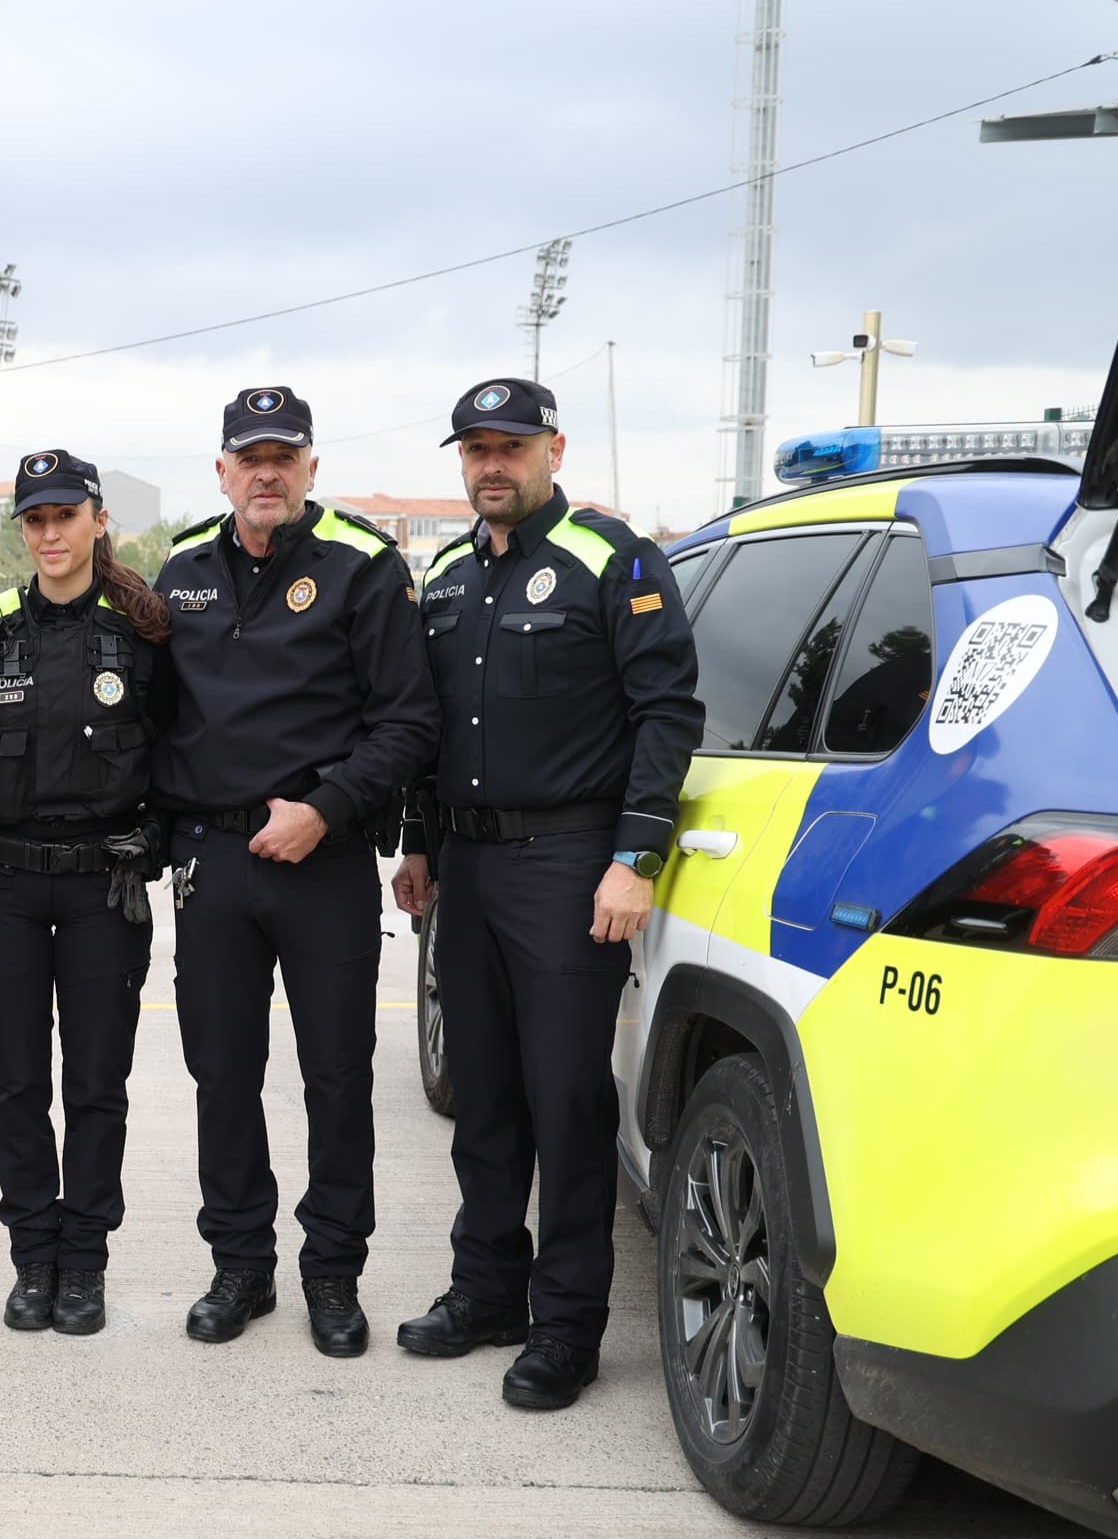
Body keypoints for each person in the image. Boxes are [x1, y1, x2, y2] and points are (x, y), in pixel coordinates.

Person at [390, 376, 700, 1410]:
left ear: (552, 452)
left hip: (570, 866)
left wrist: (636, 856)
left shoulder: (615, 562)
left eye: (511, 446)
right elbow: (431, 731)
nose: (492, 464)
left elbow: (667, 713)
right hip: (467, 875)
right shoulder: (441, 575)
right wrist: (420, 845)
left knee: (566, 1101)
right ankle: (487, 1290)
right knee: (481, 1098)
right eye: (475, 448)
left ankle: (567, 1325)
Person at [148, 388, 436, 1357]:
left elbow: (408, 721)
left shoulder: (364, 567)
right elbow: (153, 717)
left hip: (326, 857)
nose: (266, 472)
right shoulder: (182, 570)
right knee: (221, 1073)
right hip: (214, 860)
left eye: (284, 455)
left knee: (337, 1076)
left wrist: (326, 809)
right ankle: (240, 1264)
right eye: (248, 457)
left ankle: (331, 1271)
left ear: (312, 466)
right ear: (222, 470)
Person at [0, 449, 168, 1336]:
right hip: (1, 887)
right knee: (15, 1085)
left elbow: (181, 751)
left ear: (96, 519)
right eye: (33, 521)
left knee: (94, 1085)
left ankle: (82, 1262)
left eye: (63, 516)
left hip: (101, 889)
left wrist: (156, 837)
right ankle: (30, 1257)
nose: (49, 534)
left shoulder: (144, 628)